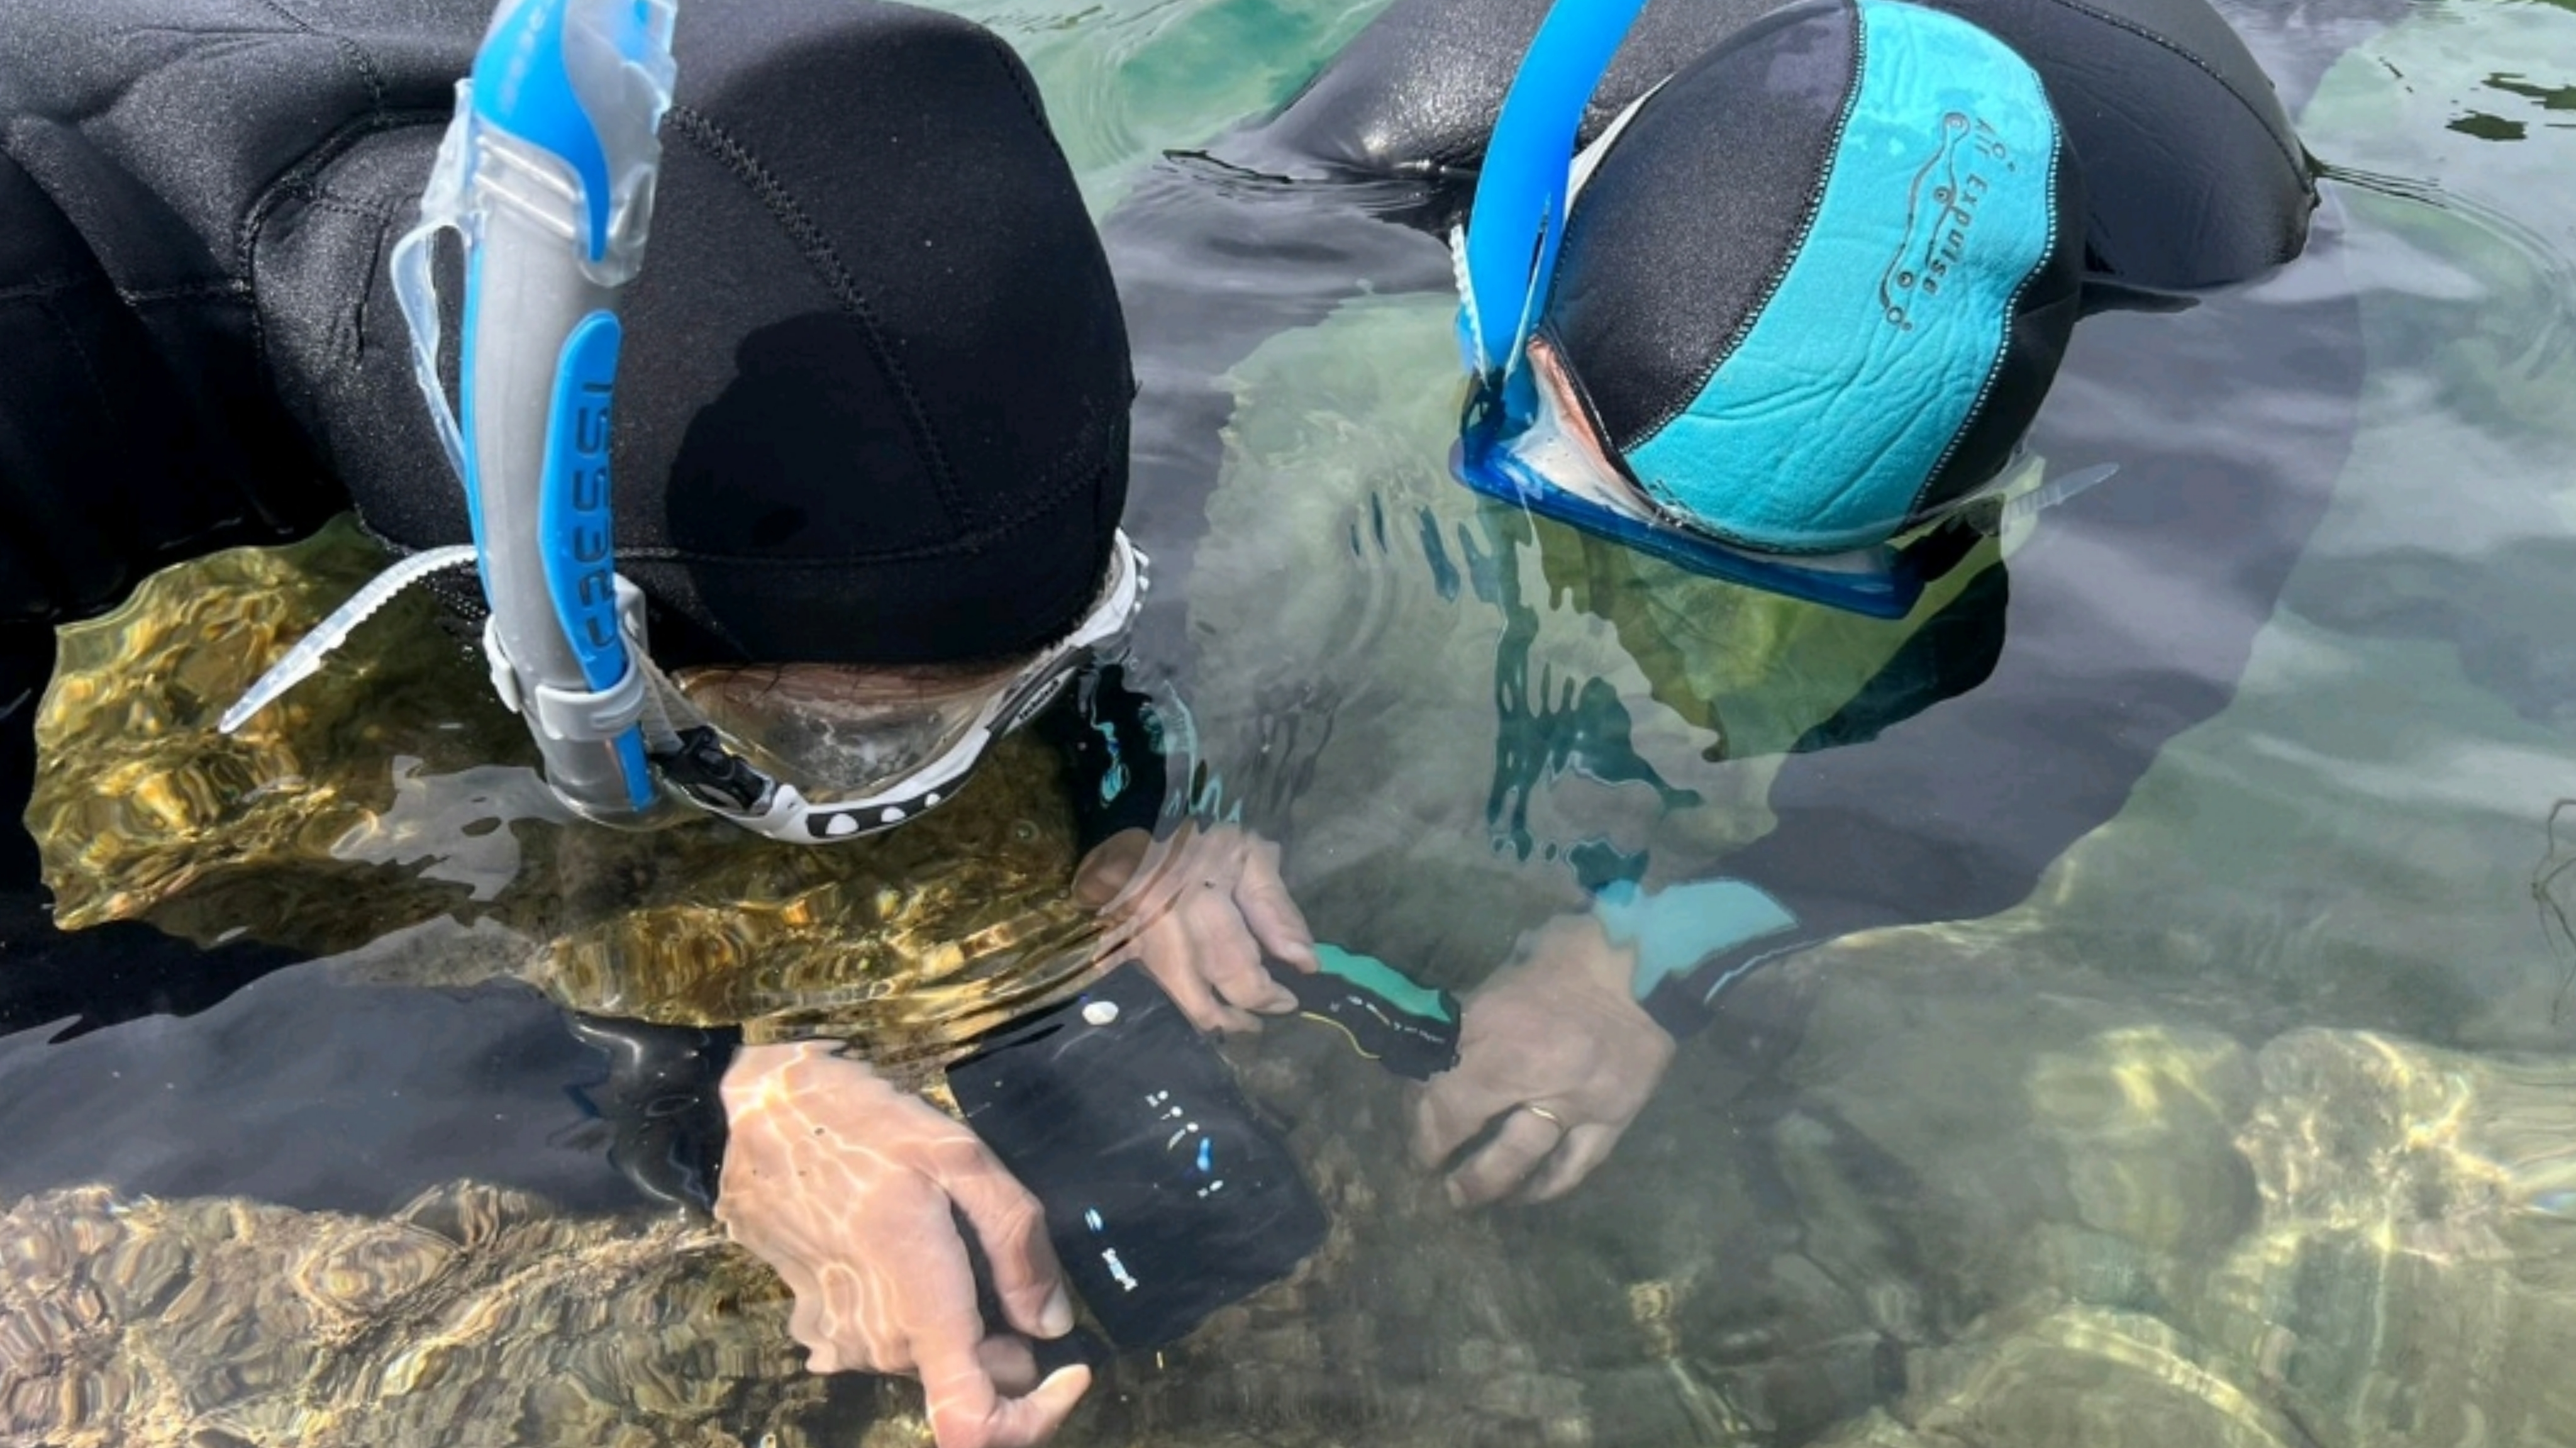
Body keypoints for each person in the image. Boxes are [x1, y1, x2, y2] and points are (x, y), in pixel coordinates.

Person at [0, 2, 1320, 1444]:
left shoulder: (721, 83)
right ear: (576, 637)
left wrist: (1138, 783)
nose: (943, 792)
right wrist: (683, 1105)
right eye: (853, 752)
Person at [1099, 0, 2396, 1209]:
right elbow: (1108, 382)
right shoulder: (1435, 104)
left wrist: (1670, 951)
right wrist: (1143, 793)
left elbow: (2097, 706)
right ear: (1524, 321)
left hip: (2173, 78)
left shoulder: (2234, 287)